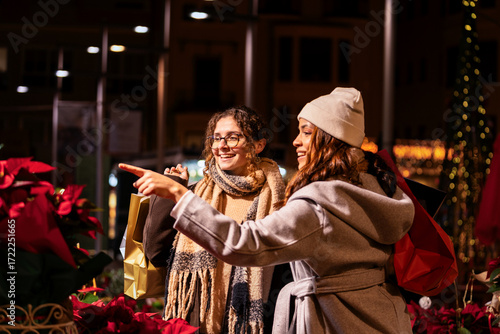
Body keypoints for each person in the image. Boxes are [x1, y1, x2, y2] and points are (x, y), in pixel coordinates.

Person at [120, 87, 415, 333]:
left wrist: (176, 193)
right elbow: (155, 252)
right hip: (383, 318)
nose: (296, 141)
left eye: (307, 132)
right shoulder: (376, 187)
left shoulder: (310, 202)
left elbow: (245, 244)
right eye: (216, 138)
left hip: (331, 319)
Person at [136, 106, 286, 334]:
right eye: (216, 138)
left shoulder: (277, 199)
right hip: (197, 319)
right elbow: (154, 251)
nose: (222, 146)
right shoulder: (196, 194)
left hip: (252, 319)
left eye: (233, 137)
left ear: (258, 145)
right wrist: (173, 194)